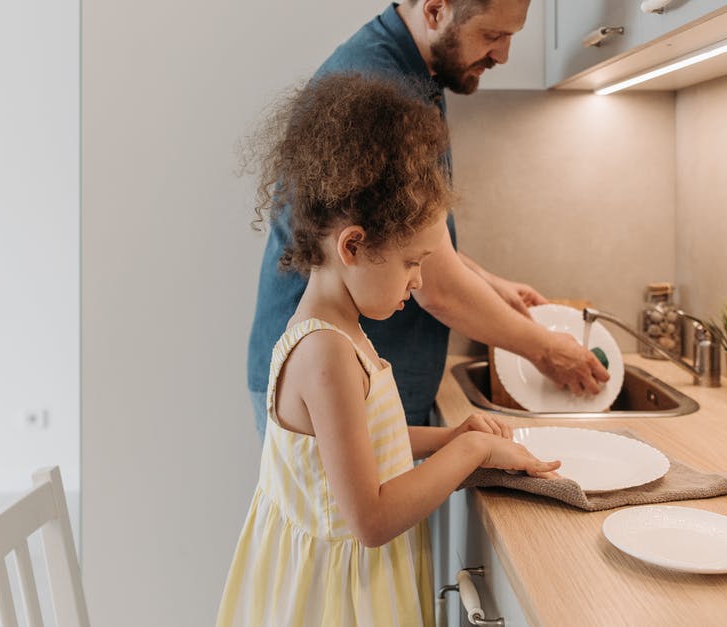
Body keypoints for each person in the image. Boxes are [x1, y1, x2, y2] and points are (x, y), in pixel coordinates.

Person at [218, 73, 561, 627]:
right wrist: (469, 455)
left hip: (350, 583)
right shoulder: (326, 353)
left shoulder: (339, 328)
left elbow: (364, 444)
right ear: (353, 246)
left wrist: (451, 436)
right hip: (334, 602)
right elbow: (370, 520)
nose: (419, 282)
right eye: (411, 263)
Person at [247, 0, 609, 433]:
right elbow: (438, 290)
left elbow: (404, 232)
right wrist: (547, 350)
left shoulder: (414, 73)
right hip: (328, 385)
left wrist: (488, 283)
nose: (503, 55)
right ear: (436, 10)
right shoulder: (383, 88)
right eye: (492, 36)